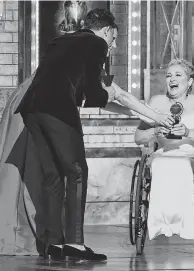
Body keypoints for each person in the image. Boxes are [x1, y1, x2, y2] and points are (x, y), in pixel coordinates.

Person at [0, 8, 173, 261]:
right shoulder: (95, 45)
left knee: (53, 177)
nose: (112, 46)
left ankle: (53, 244)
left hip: (31, 110)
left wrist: (144, 115)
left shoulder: (63, 42)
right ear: (106, 31)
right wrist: (110, 98)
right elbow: (96, 94)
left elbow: (108, 93)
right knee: (78, 172)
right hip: (57, 110)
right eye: (113, 39)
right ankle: (75, 244)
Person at [134, 59, 194, 240]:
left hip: (190, 154)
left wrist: (189, 132)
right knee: (160, 164)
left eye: (178, 75)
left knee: (180, 166)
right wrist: (155, 131)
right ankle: (160, 224)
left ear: (189, 82)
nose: (172, 79)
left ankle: (183, 223)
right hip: (163, 153)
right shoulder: (156, 102)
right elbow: (138, 137)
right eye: (169, 75)